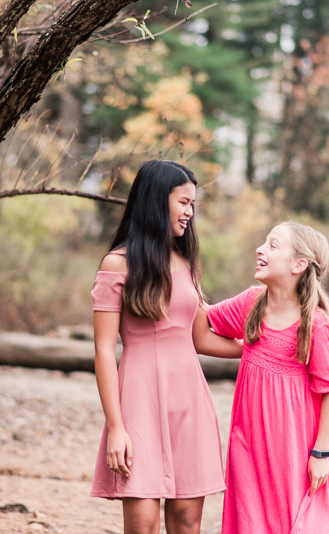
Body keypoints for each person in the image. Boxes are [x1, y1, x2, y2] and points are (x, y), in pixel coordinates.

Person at [90, 160, 241, 534]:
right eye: (183, 202)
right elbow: (104, 351)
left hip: (189, 401)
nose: (190, 212)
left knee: (188, 523)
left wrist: (261, 345)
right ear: (158, 200)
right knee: (142, 524)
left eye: (193, 204)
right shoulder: (117, 264)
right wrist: (116, 427)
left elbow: (200, 337)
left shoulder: (185, 262)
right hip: (138, 403)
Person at [195, 222, 329, 534]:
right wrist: (183, 282)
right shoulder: (251, 303)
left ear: (298, 265)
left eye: (273, 245)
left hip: (293, 451)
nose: (260, 249)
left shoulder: (315, 325)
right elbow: (202, 333)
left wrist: (321, 453)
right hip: (247, 445)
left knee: (290, 523)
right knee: (250, 523)